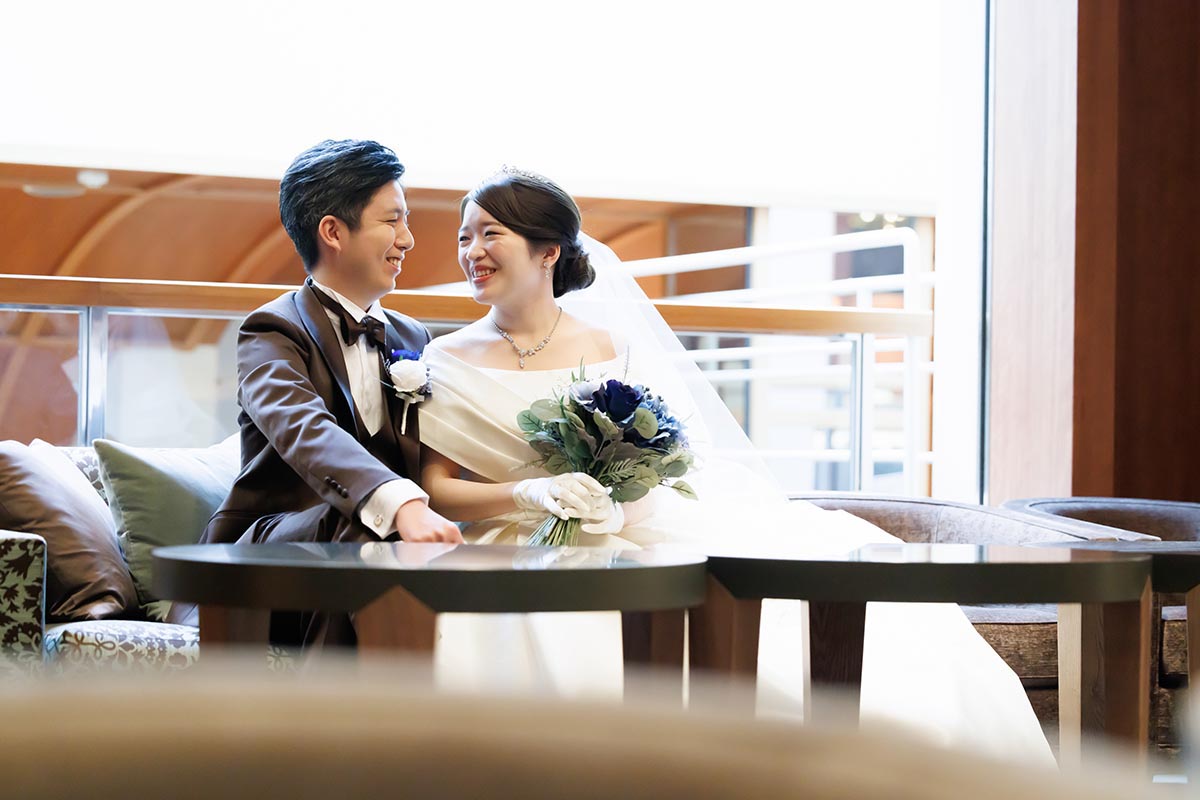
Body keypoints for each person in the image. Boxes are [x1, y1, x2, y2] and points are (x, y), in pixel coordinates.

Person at [417, 167, 1054, 764]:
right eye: (464, 237)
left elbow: (662, 457)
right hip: (518, 544)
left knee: (833, 622)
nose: (472, 252)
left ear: (548, 251)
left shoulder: (611, 344)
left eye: (490, 234)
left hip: (630, 527)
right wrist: (530, 494)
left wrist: (621, 500)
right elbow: (436, 490)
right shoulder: (444, 358)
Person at [181, 140, 461, 645]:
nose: (408, 239)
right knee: (362, 524)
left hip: (376, 555)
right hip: (271, 555)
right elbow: (302, 427)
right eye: (392, 221)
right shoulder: (271, 330)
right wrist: (400, 505)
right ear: (332, 231)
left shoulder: (413, 336)